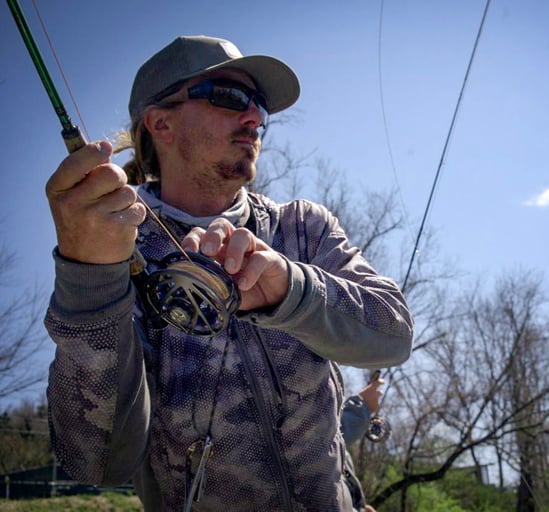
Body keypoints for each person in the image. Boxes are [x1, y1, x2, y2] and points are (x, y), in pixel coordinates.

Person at [44, 35, 413, 512]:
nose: (255, 117)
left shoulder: (303, 227)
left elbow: (394, 335)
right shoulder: (112, 255)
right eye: (231, 97)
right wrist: (88, 276)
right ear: (160, 124)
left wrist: (292, 290)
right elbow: (94, 462)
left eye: (259, 105)